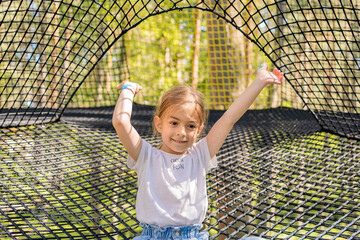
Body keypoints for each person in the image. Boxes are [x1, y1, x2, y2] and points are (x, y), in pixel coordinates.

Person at [112, 64, 284, 240]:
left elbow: (229, 119)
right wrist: (128, 90)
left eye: (190, 126)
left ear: (199, 130)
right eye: (174, 123)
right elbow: (120, 122)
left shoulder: (199, 155)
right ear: (159, 124)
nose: (182, 132)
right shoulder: (146, 156)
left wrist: (260, 81)